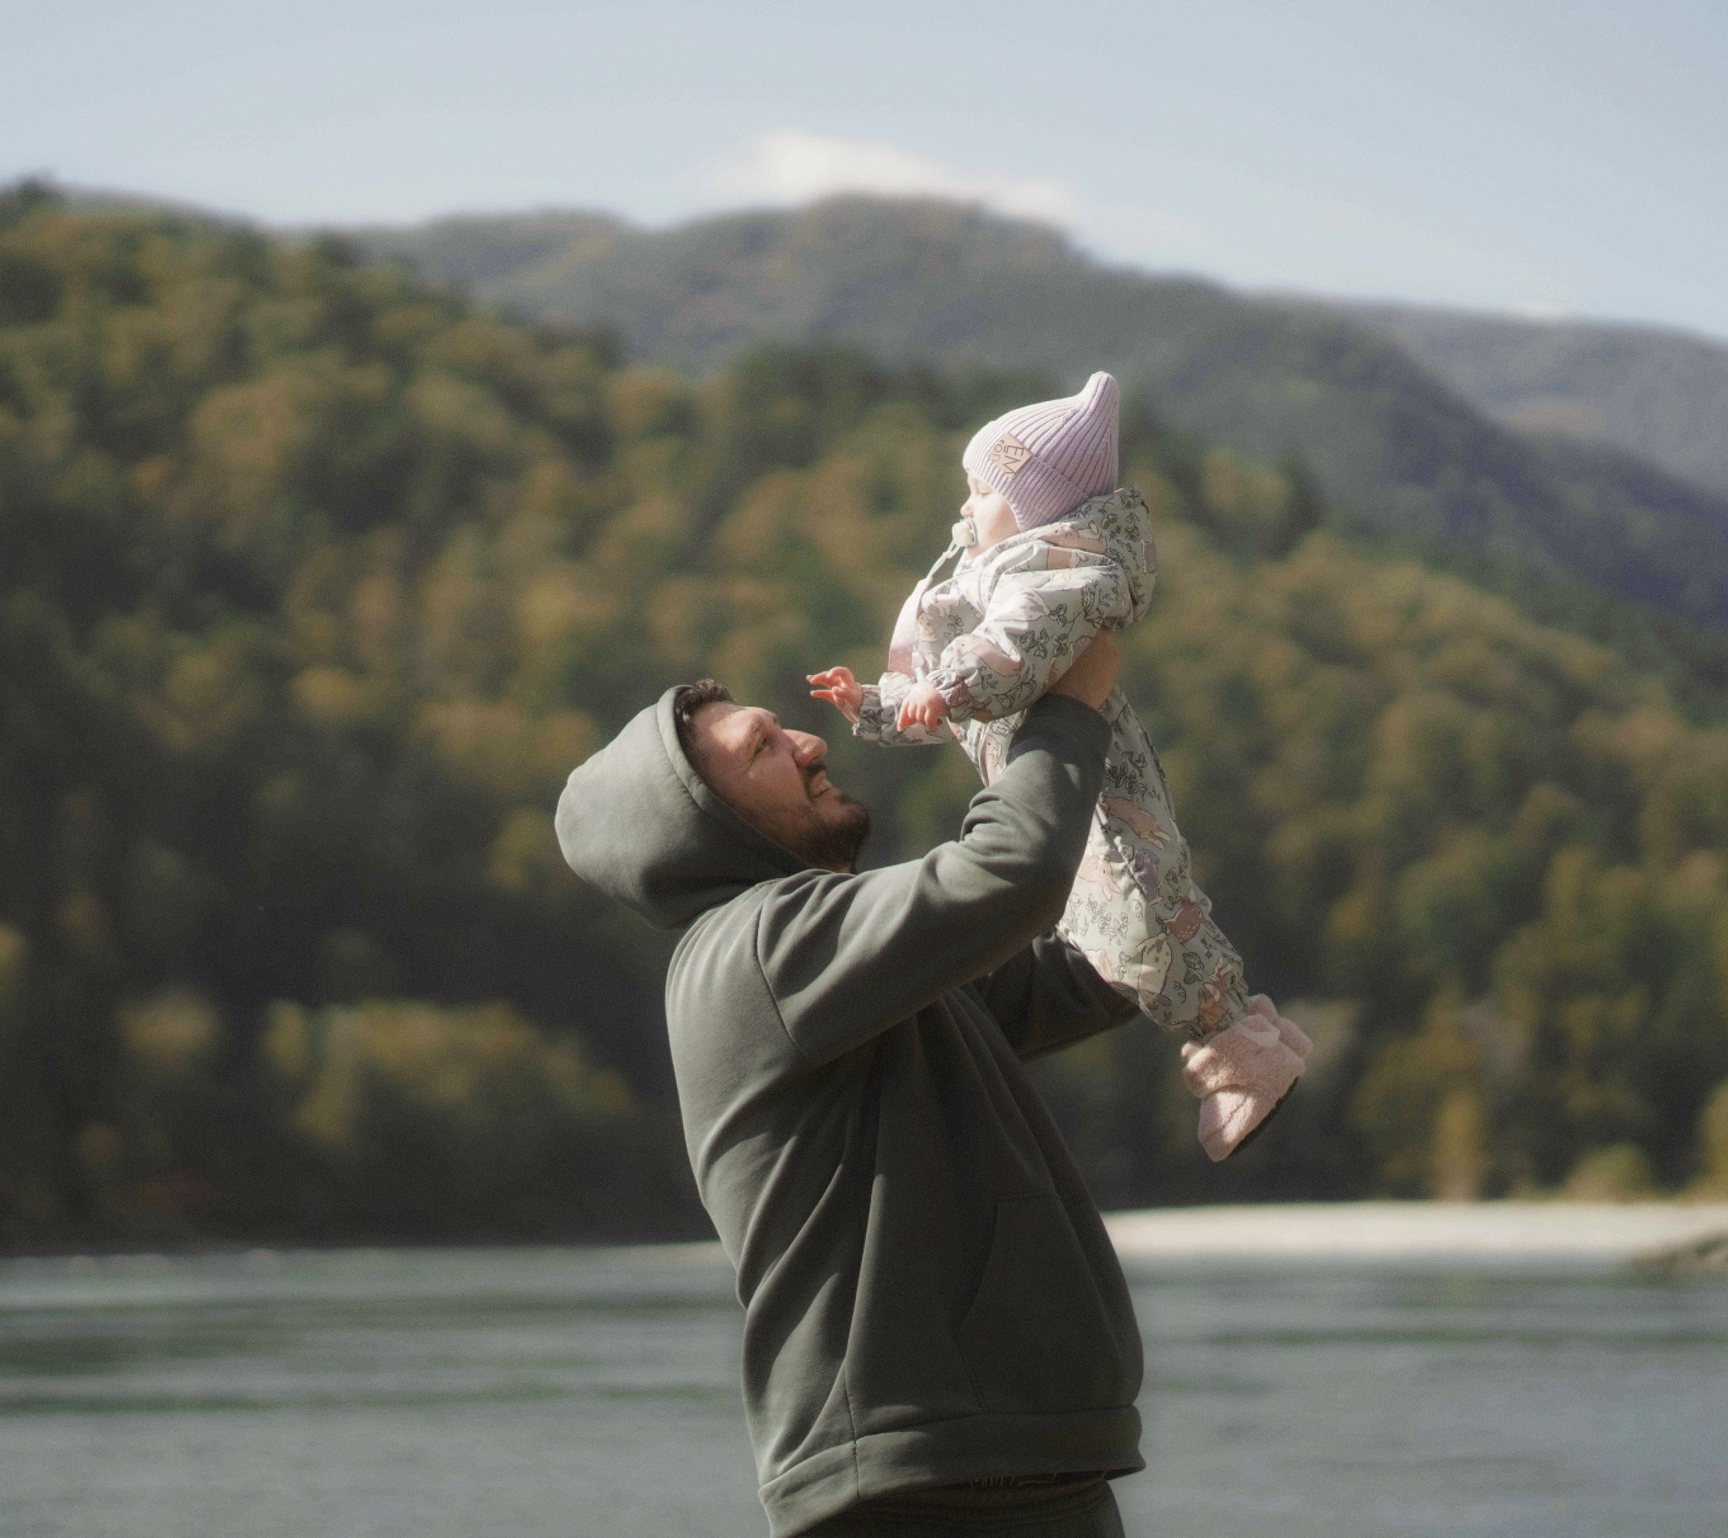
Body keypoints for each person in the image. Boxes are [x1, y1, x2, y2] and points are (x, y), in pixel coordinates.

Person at [559, 635, 1308, 1535]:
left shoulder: (841, 960)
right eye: (763, 747)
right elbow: (1011, 873)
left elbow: (1086, 971)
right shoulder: (755, 950)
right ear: (701, 827)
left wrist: (1153, 867)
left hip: (1021, 1468)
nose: (809, 743)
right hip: (917, 1490)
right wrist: (1066, 700)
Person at [807, 371, 1302, 1159]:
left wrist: (949, 685)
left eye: (980, 491)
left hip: (1102, 799)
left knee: (1143, 915)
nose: (965, 510)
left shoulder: (1056, 575)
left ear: (1034, 502)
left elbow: (1014, 649)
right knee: (1142, 913)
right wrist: (876, 702)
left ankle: (1241, 1056)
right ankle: (1253, 1027)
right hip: (1062, 779)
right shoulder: (1003, 572)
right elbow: (968, 688)